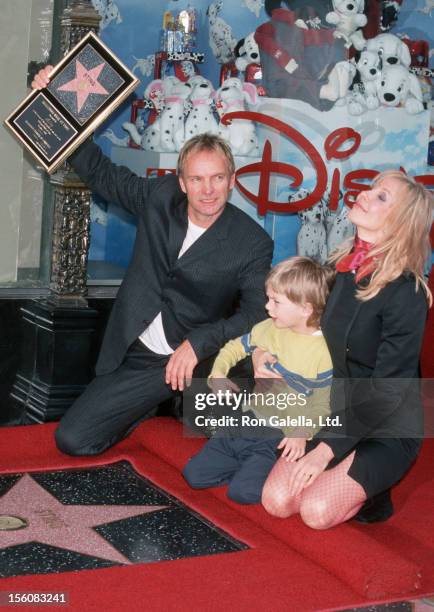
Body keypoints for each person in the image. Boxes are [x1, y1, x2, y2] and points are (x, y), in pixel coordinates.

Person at [31, 67, 273, 457]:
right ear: (181, 182)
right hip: (140, 354)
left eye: (217, 179)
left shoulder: (253, 242)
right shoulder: (160, 197)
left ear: (232, 179)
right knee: (73, 440)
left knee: (239, 434)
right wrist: (53, 100)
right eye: (196, 179)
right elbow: (99, 171)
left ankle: (184, 404)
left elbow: (256, 314)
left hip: (197, 355)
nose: (207, 190)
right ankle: (153, 405)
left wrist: (199, 342)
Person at [256, 171, 433, 527]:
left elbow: (387, 393)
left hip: (387, 424)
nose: (365, 195)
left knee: (316, 512)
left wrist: (325, 452)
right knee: (276, 501)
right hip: (335, 409)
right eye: (371, 189)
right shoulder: (341, 268)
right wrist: (261, 351)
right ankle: (343, 477)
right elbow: (296, 320)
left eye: (382, 197)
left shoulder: (407, 293)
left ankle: (373, 494)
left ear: (401, 222)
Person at [183, 256, 334, 504]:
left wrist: (301, 431)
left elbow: (322, 405)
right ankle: (244, 467)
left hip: (277, 434)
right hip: (245, 420)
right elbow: (234, 348)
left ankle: (263, 473)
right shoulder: (269, 327)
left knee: (242, 493)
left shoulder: (322, 353)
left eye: (276, 302)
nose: (268, 307)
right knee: (194, 475)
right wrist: (218, 373)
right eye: (268, 299)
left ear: (305, 309)